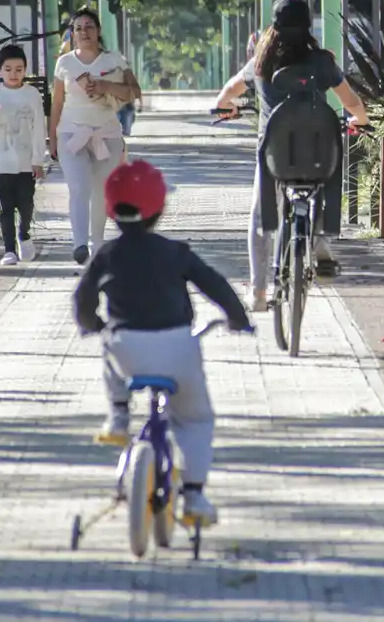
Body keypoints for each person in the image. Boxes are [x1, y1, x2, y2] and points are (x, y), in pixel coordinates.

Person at [74, 160, 253, 525]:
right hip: (176, 349)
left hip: (128, 352)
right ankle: (195, 497)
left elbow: (83, 300)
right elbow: (215, 284)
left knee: (109, 345)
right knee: (195, 420)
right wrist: (239, 319)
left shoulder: (106, 254)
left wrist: (92, 324)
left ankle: (119, 415)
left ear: (110, 209)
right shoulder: (176, 252)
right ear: (159, 209)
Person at [214, 0, 368, 311]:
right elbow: (352, 102)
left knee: (260, 216)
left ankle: (258, 293)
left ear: (275, 26)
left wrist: (226, 108)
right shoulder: (323, 62)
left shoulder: (260, 62)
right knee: (321, 186)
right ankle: (321, 243)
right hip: (317, 152)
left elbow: (227, 93)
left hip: (274, 156)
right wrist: (360, 121)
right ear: (308, 26)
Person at [49, 7, 141, 265]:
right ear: (73, 34)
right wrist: (52, 138)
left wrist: (105, 86)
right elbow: (56, 103)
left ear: (99, 31)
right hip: (71, 134)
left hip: (107, 135)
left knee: (101, 191)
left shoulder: (113, 60)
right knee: (78, 187)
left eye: (89, 26)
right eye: (78, 28)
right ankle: (79, 243)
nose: (84, 32)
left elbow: (134, 91)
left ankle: (97, 244)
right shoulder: (64, 63)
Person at [0, 44, 46, 266]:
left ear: (25, 70)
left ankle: (24, 234)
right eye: (8, 69)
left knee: (25, 206)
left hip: (26, 163)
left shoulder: (32, 94)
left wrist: (38, 160)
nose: (13, 74)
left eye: (19, 69)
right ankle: (9, 250)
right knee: (5, 207)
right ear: (0, 71)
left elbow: (39, 129)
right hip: (1, 162)